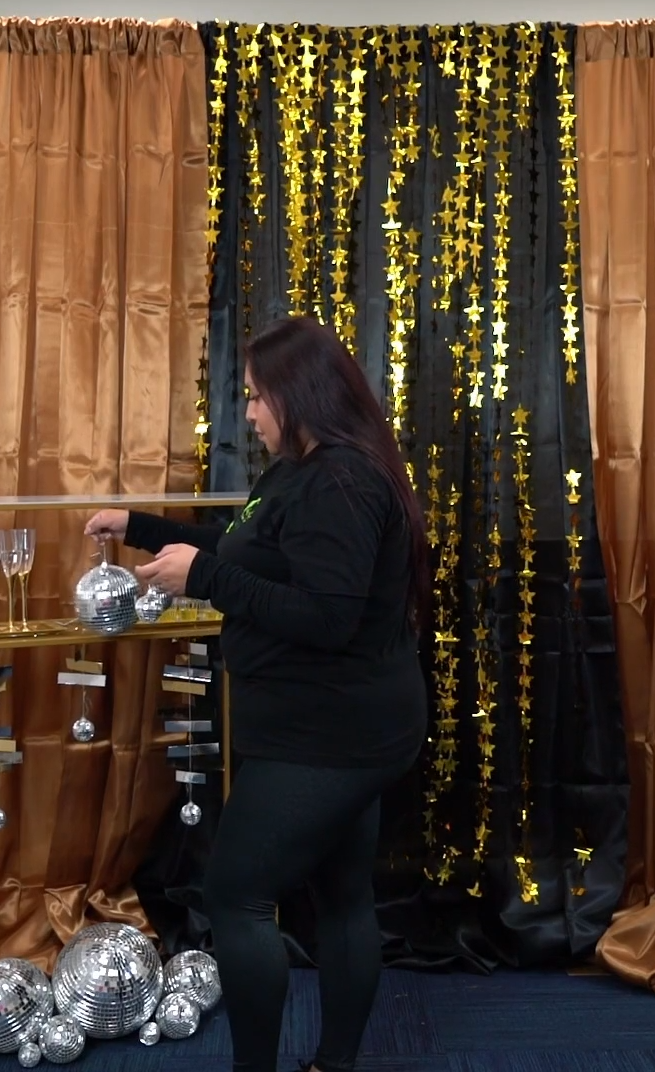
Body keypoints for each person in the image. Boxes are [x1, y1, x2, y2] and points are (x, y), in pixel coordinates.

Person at [84, 316, 427, 1072]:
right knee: (341, 895)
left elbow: (327, 617)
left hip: (333, 737)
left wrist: (202, 582)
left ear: (296, 396)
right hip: (340, 727)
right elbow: (246, 545)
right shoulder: (300, 470)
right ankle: (333, 1066)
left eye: (254, 397)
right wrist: (141, 526)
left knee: (237, 895)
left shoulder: (339, 482)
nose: (247, 412)